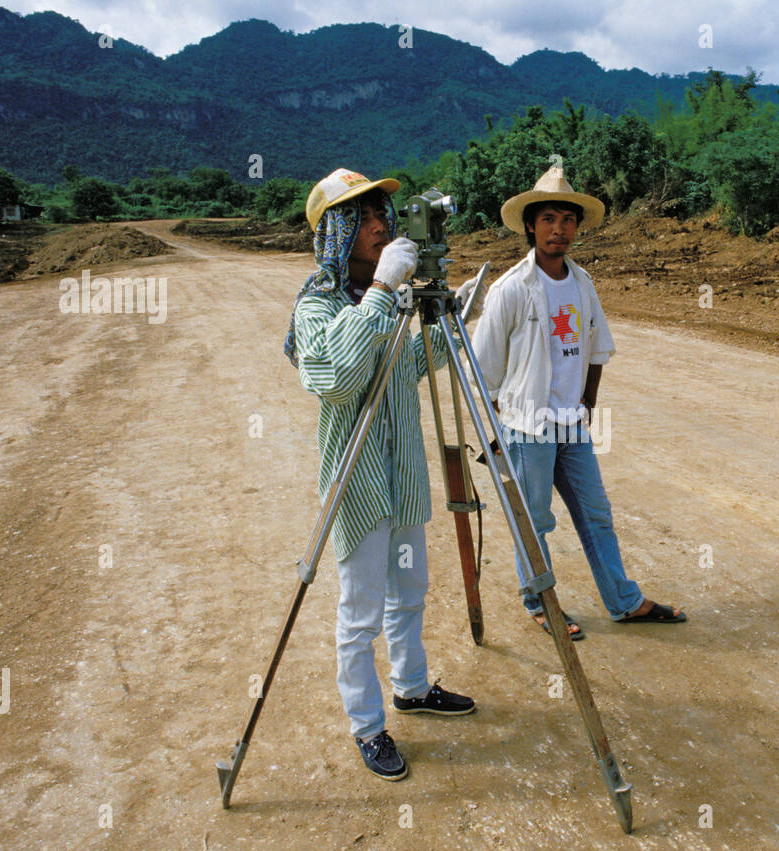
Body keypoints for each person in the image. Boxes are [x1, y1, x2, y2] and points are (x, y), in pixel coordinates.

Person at [284, 167, 482, 781]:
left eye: (381, 217)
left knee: (411, 594)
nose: (379, 228)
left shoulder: (394, 300)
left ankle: (412, 687)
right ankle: (367, 726)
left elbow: (408, 368)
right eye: (364, 219)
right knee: (361, 612)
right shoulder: (317, 306)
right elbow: (339, 378)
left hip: (402, 479)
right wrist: (381, 295)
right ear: (336, 232)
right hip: (359, 487)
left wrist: (452, 315)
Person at [470, 158, 686, 640]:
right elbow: (482, 369)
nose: (559, 229)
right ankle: (541, 602)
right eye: (548, 219)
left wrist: (587, 403)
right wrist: (509, 427)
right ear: (530, 225)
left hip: (572, 425)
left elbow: (596, 348)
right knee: (537, 521)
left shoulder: (582, 284)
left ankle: (624, 601)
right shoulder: (510, 289)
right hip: (529, 428)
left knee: (595, 515)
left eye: (568, 220)